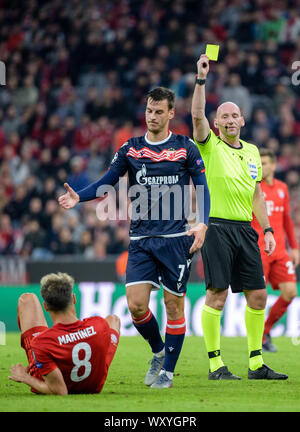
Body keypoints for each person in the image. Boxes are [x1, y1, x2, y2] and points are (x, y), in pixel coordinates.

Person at [58, 86, 210, 388]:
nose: (151, 116)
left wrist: (202, 224)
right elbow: (107, 181)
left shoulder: (185, 146)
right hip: (141, 240)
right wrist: (80, 197)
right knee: (136, 306)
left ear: (170, 113)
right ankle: (157, 350)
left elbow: (202, 187)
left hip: (177, 238)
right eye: (148, 110)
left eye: (158, 111)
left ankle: (167, 371)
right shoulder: (130, 148)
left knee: (173, 306)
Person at [191, 54, 288, 380]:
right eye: (224, 116)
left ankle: (256, 363)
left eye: (235, 115)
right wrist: (202, 79)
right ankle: (216, 364)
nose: (230, 120)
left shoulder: (251, 152)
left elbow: (257, 194)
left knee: (258, 295)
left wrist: (269, 229)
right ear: (217, 124)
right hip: (217, 227)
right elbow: (196, 115)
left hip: (247, 230)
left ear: (243, 121)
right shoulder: (210, 146)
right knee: (216, 295)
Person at [9, 272, 120, 394]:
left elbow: (60, 391)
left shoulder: (40, 343)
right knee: (113, 320)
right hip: (93, 385)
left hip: (52, 381)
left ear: (45, 307)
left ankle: (42, 360)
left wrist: (24, 377)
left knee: (27, 299)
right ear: (73, 298)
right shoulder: (99, 324)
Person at [252, 148, 299, 352]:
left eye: (267, 163)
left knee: (290, 292)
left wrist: (294, 248)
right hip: (259, 250)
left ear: (274, 165)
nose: (263, 167)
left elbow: (287, 220)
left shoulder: (282, 188)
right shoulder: (252, 189)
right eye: (260, 164)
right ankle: (256, 340)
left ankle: (266, 330)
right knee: (258, 297)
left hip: (280, 251)